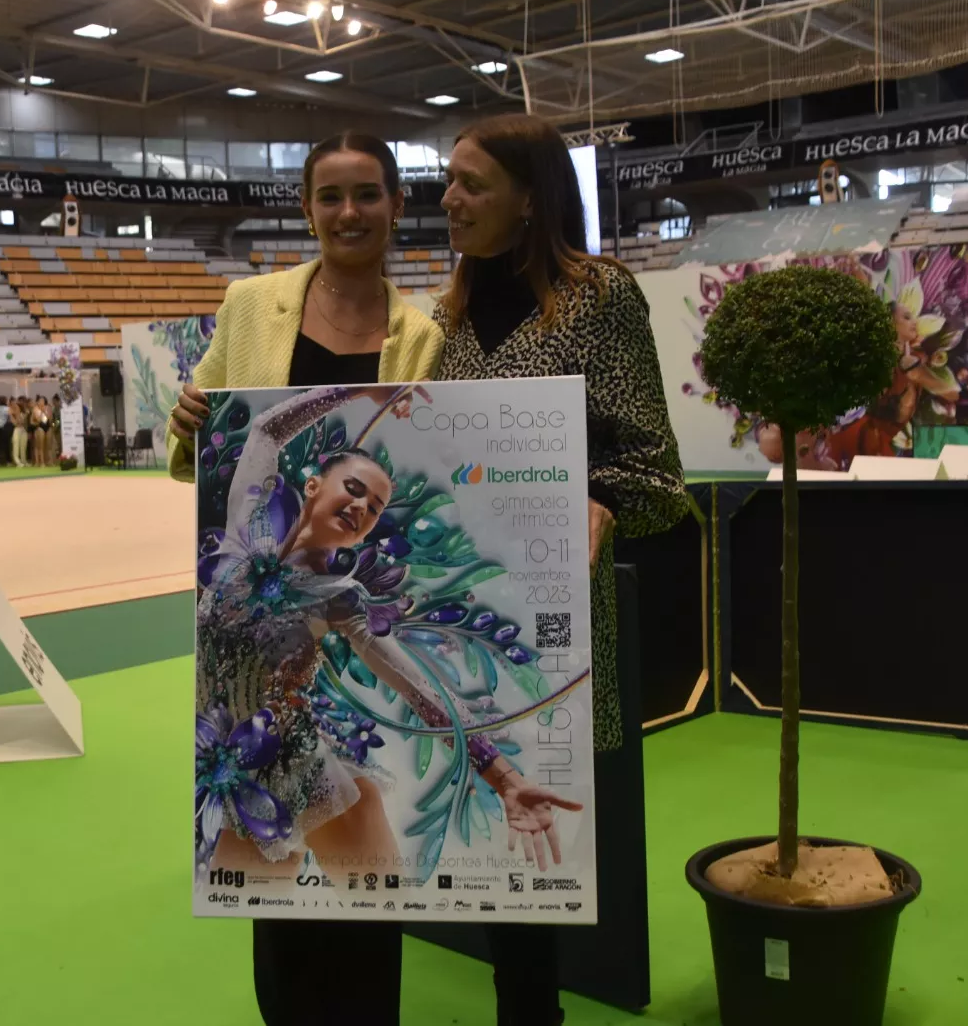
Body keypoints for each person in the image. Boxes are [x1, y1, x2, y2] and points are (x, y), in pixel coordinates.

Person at [168, 131, 447, 1026]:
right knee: (278, 939)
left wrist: (439, 709)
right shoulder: (251, 306)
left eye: (368, 194)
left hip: (297, 744)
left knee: (370, 918)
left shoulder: (423, 333)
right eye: (331, 196)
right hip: (233, 744)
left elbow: (385, 655)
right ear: (307, 207)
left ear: (397, 205)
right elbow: (225, 438)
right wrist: (188, 416)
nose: (349, 213)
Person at [433, 113, 688, 1026]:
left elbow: (657, 473)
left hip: (552, 624)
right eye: (447, 181)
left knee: (536, 859)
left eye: (471, 183)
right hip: (449, 623)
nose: (449, 199)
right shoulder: (441, 318)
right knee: (483, 839)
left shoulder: (601, 298)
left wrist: (602, 500)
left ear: (530, 198)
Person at [0, 395, 13, 466]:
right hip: (5, 428)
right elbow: (10, 417)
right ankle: (8, 461)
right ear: (5, 401)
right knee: (6, 445)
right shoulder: (8, 409)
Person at [11, 397, 30, 468]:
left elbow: (24, 422)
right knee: (16, 446)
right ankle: (17, 462)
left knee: (23, 446)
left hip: (23, 430)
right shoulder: (15, 410)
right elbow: (17, 422)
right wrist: (17, 416)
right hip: (17, 429)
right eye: (21, 401)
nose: (23, 403)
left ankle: (23, 461)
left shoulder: (25, 411)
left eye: (24, 401)